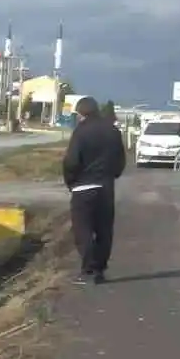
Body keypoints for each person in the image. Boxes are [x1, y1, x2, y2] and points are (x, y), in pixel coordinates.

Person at [61, 95, 125, 284]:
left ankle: (88, 269)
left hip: (83, 187)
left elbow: (71, 161)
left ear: (81, 113)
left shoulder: (81, 132)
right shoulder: (113, 131)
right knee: (104, 229)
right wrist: (112, 175)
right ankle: (100, 269)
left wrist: (70, 182)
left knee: (83, 229)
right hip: (106, 187)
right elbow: (120, 160)